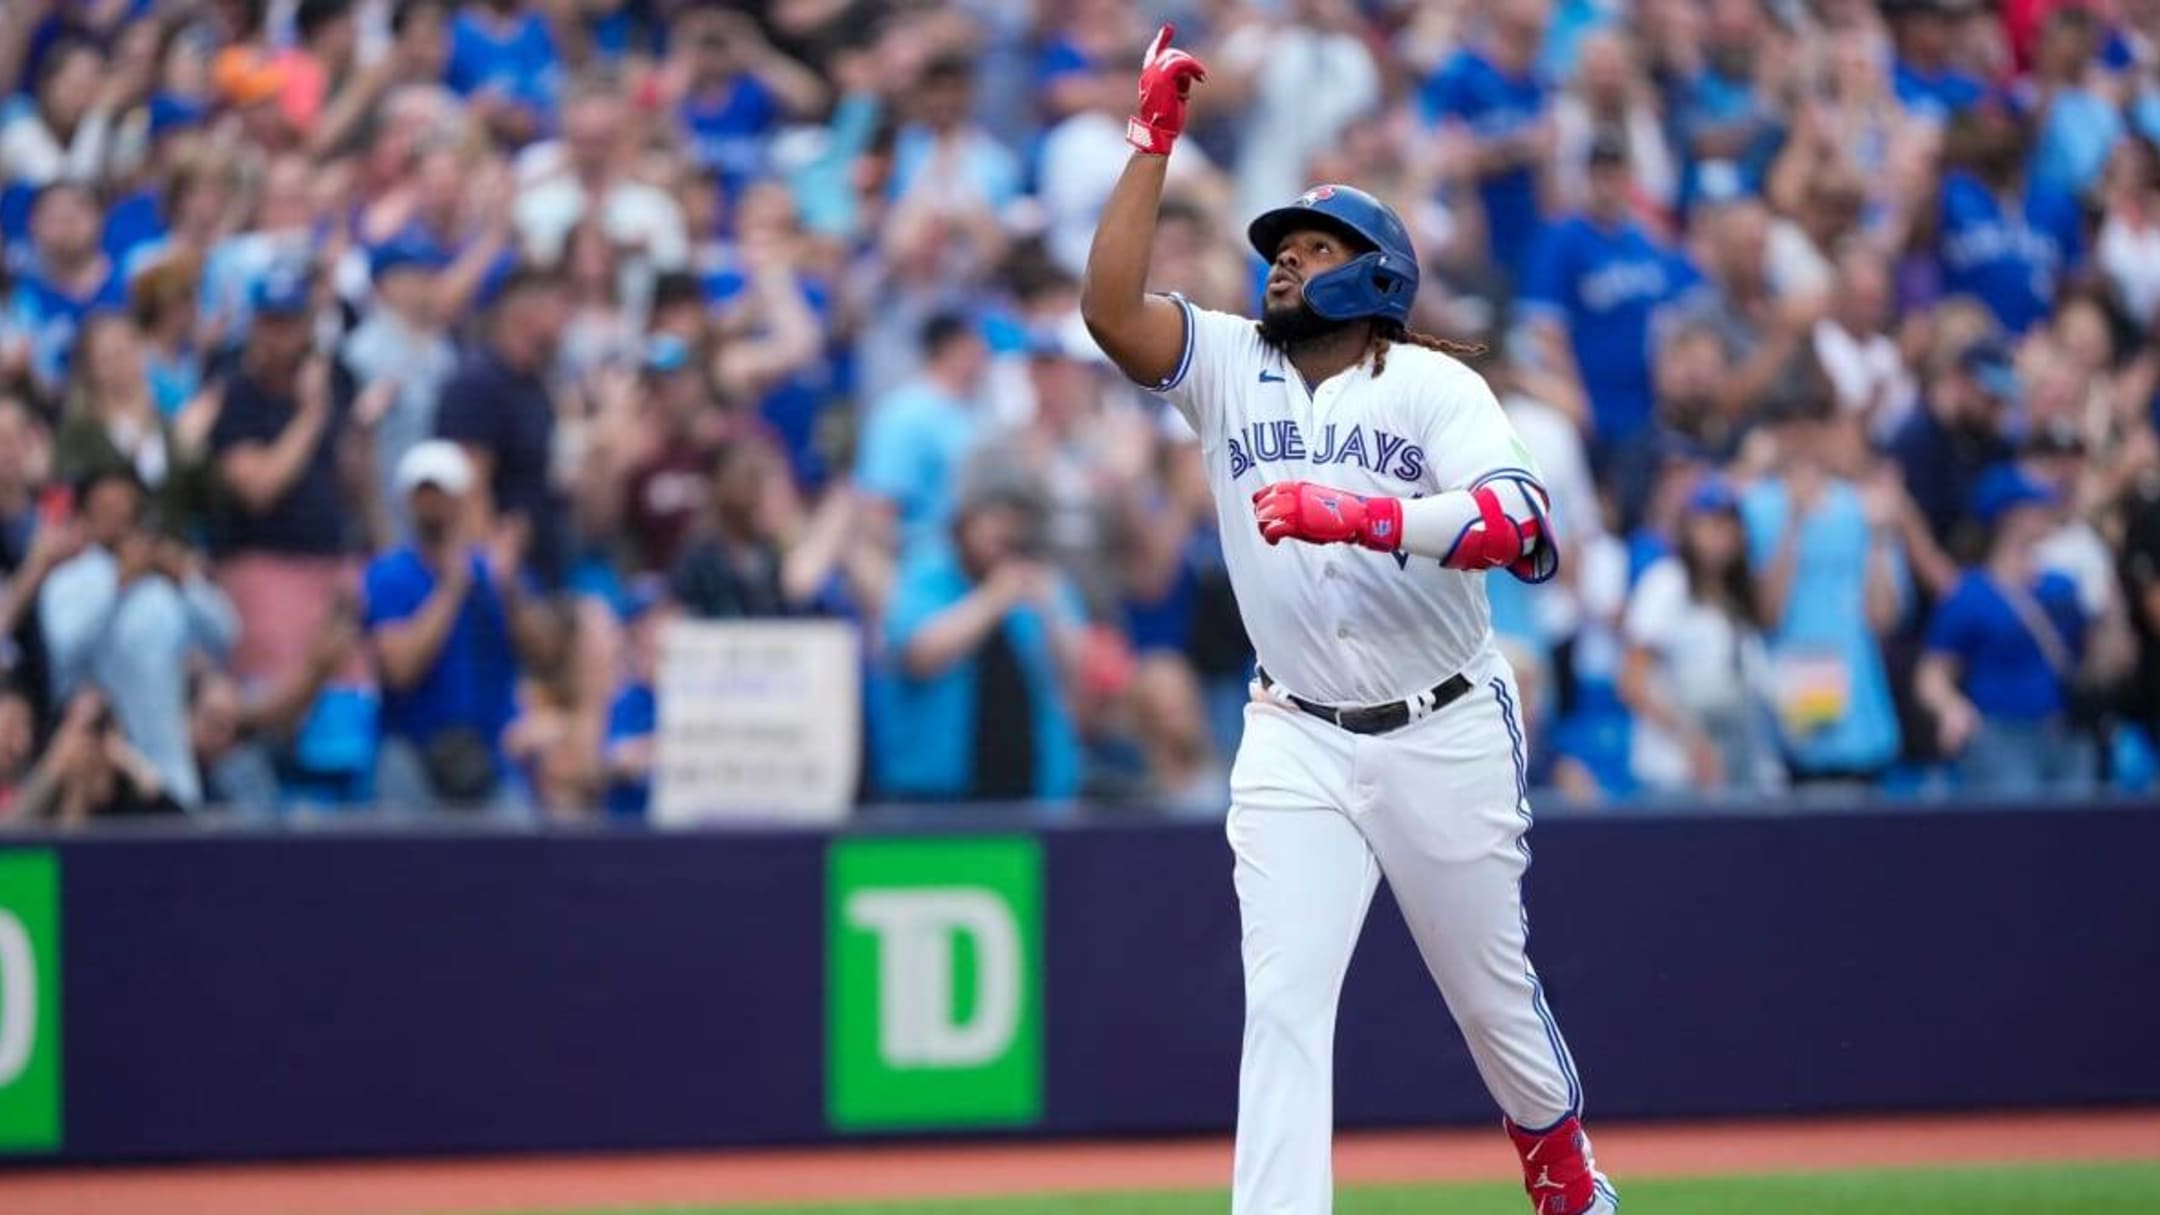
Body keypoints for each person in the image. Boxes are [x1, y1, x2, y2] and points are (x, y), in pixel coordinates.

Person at [1079, 28, 1616, 1215]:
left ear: (1374, 274)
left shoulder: (1433, 385)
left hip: (1442, 724)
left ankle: (1563, 1170)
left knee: (1491, 1000)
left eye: (1315, 248)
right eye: (1280, 248)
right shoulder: (1229, 363)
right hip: (1297, 733)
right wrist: (1150, 143)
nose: (1282, 265)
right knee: (1282, 1002)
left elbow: (1526, 528)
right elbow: (1110, 309)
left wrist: (1366, 517)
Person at [362, 440, 560, 812]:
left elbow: (546, 658)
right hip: (412, 759)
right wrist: (452, 586)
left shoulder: (500, 575)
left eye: (444, 492)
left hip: (492, 760)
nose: (434, 504)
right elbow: (399, 669)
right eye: (424, 493)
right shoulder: (389, 576)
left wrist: (510, 588)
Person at [39, 467, 238, 811]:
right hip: (96, 778)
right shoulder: (68, 581)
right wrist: (119, 583)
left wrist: (185, 579)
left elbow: (226, 633)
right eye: (107, 509)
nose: (119, 519)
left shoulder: (163, 586)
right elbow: (64, 651)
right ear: (85, 515)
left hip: (169, 772)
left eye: (127, 509)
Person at [869, 486, 1082, 803]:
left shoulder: (1042, 581)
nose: (1007, 528)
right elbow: (919, 655)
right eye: (995, 515)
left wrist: (1051, 612)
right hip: (936, 801)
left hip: (1035, 795)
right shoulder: (929, 572)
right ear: (965, 521)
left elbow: (1076, 680)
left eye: (1017, 517)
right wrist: (993, 600)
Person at [206, 265, 365, 688]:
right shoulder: (236, 392)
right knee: (276, 701)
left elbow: (352, 479)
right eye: (269, 323)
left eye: (289, 323)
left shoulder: (339, 378)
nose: (277, 336)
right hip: (263, 566)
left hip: (330, 562)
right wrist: (311, 416)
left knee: (343, 708)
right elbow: (257, 488)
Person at [1917, 466, 2093, 793]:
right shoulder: (1970, 594)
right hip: (2001, 737)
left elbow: (2094, 661)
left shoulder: (2061, 586)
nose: (2045, 516)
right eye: (2035, 508)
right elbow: (1933, 674)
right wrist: (1952, 708)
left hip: (2063, 731)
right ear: (2009, 517)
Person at [1618, 477, 1785, 795]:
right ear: (1688, 529)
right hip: (1675, 770)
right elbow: (1632, 681)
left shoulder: (1738, 598)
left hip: (1739, 766)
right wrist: (1692, 741)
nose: (1721, 535)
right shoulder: (1666, 583)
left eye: (1729, 525)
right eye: (1708, 523)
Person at [433, 265, 574, 588]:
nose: (567, 319)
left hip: (542, 562)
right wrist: (492, 572)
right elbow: (468, 488)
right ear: (525, 313)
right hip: (503, 574)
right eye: (559, 305)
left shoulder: (534, 383)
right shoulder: (477, 384)